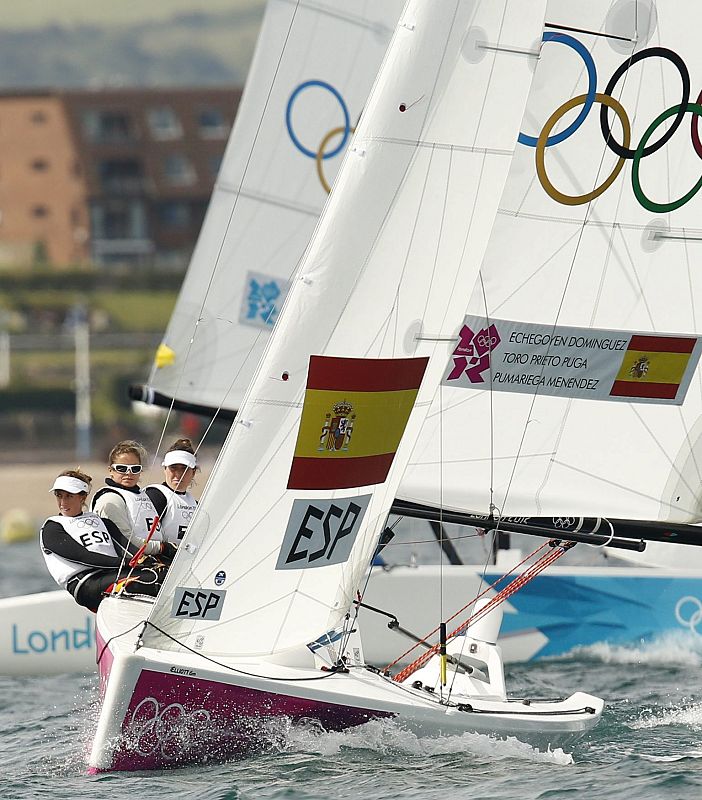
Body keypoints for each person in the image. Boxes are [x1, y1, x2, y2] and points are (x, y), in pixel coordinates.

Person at [39, 469, 167, 611]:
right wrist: (125, 563)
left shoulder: (103, 522)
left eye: (69, 496)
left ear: (82, 497)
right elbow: (83, 557)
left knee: (165, 575)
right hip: (86, 584)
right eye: (59, 495)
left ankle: (185, 625)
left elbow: (129, 549)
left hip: (113, 574)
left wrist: (149, 561)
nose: (63, 502)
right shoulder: (52, 527)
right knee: (153, 579)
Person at [91, 439, 175, 562]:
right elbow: (124, 541)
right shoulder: (111, 498)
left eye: (135, 469)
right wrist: (162, 547)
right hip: (129, 565)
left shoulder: (143, 495)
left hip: (155, 559)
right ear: (111, 471)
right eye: (122, 468)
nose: (128, 473)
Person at [145, 438, 198, 545]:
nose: (178, 474)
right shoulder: (156, 495)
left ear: (193, 472)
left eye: (184, 468)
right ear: (165, 469)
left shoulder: (196, 505)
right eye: (173, 468)